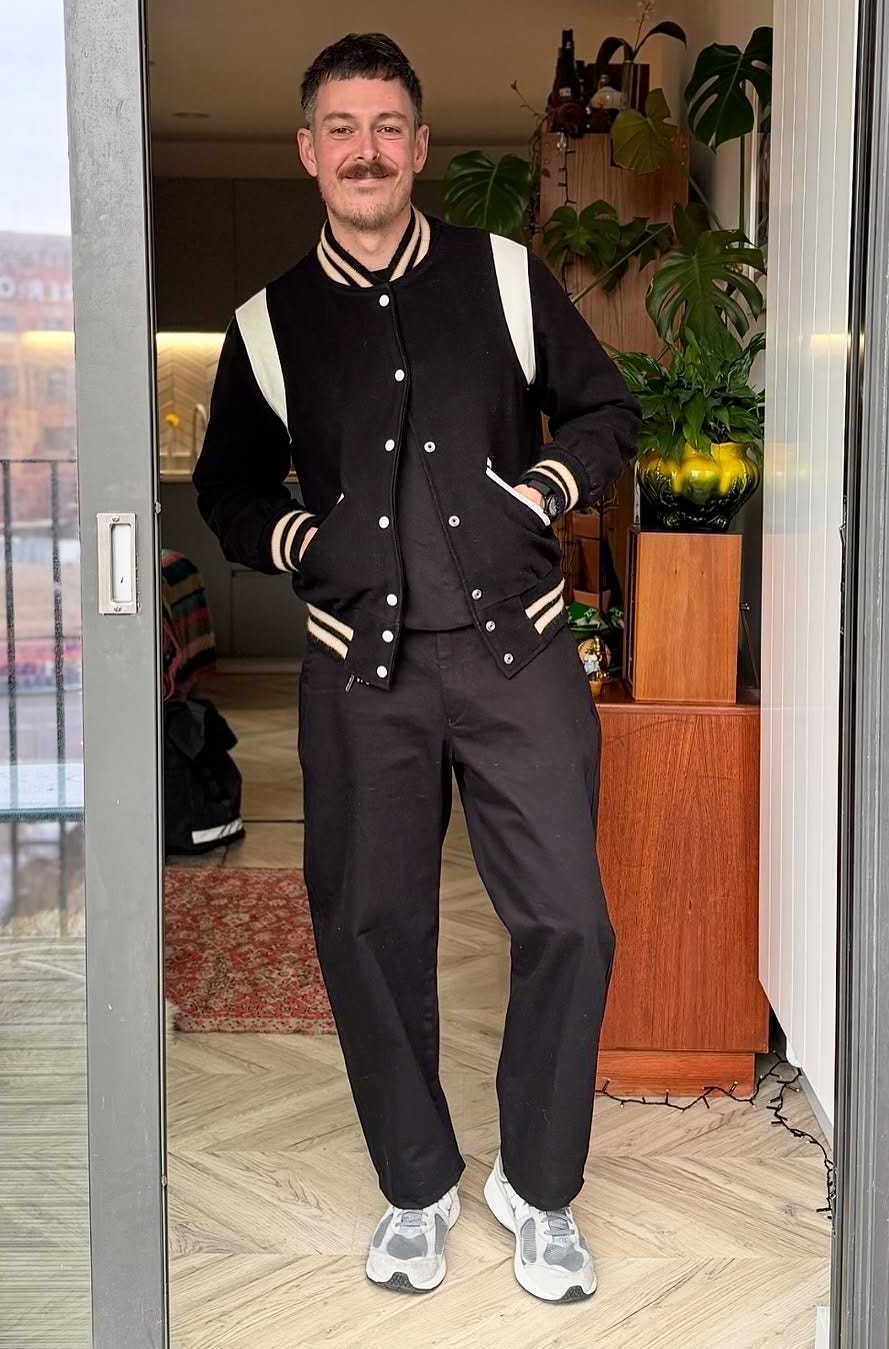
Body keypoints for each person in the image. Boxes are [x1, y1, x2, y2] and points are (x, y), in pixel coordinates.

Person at [193, 32, 641, 1304]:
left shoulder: (504, 275)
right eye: (342, 128)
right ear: (308, 152)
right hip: (359, 677)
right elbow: (229, 488)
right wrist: (304, 540)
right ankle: (418, 1182)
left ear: (420, 146)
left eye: (388, 126)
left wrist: (548, 488)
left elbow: (605, 406)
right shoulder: (265, 325)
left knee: (570, 918)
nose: (366, 150)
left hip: (521, 656)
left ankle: (539, 1188)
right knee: (367, 926)